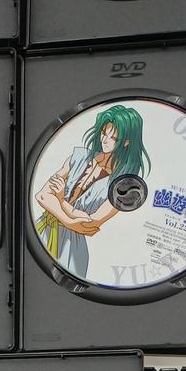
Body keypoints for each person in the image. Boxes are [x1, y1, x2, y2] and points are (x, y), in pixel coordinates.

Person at [34, 103, 150, 280]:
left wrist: (60, 200)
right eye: (103, 133)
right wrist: (70, 220)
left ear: (126, 142)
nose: (105, 140)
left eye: (113, 137)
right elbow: (42, 195)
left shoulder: (125, 185)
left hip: (71, 248)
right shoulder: (79, 156)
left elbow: (91, 222)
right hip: (41, 230)